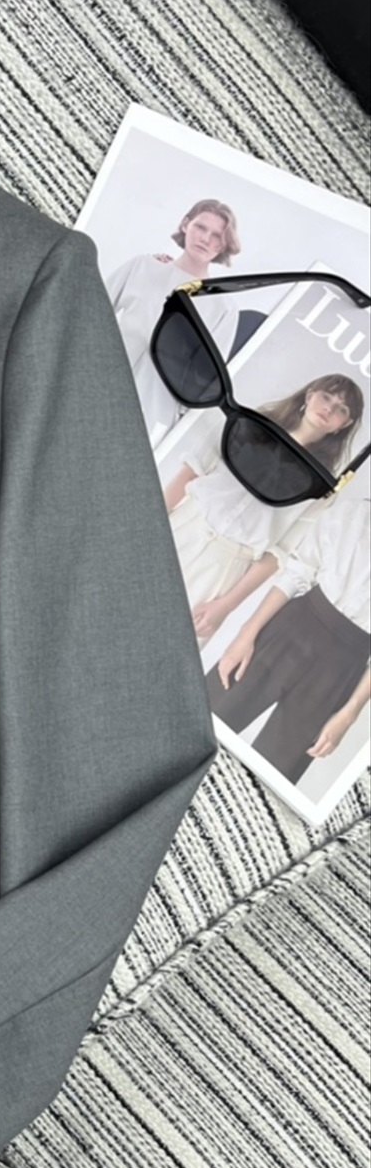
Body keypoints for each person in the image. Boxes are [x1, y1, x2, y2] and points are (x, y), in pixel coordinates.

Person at [162, 374, 364, 644]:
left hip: (224, 568)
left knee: (168, 645)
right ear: (309, 395)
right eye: (326, 397)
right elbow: (191, 471)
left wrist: (226, 606)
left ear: (345, 424)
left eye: (342, 409)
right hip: (182, 528)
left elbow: (277, 553)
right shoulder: (248, 424)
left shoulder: (321, 487)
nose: (329, 408)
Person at [206, 483, 370, 784]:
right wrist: (246, 633)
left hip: (341, 669)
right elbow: (298, 572)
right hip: (291, 629)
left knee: (272, 777)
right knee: (202, 721)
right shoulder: (354, 513)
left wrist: (350, 713)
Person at [106, 198, 241, 445]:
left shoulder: (223, 308)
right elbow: (91, 311)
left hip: (153, 410)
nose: (205, 239)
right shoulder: (143, 266)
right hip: (102, 380)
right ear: (185, 224)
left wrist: (174, 419)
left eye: (217, 235)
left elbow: (207, 381)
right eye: (200, 227)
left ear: (224, 244)